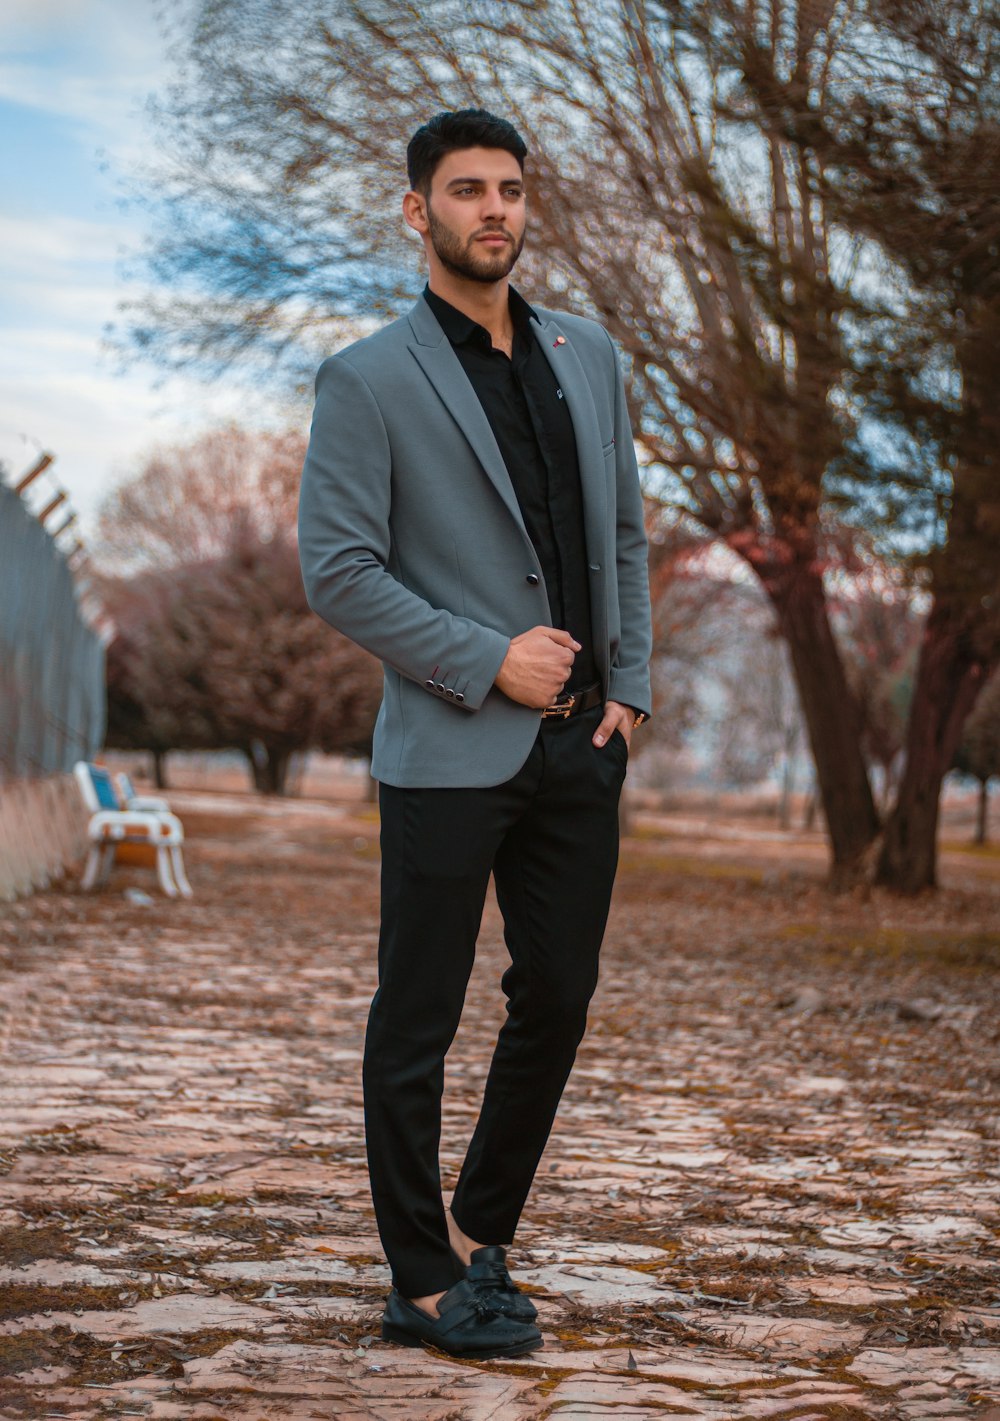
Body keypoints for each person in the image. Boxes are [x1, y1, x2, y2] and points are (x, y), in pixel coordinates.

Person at [298, 107, 652, 1360]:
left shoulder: (591, 354)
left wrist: (631, 687)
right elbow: (336, 570)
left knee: (557, 990)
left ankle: (479, 1225)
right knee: (418, 1014)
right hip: (449, 743)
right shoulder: (369, 377)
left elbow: (619, 535)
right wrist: (480, 657)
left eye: (508, 188)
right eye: (464, 190)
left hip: (578, 746)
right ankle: (421, 1277)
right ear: (418, 212)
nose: (492, 208)